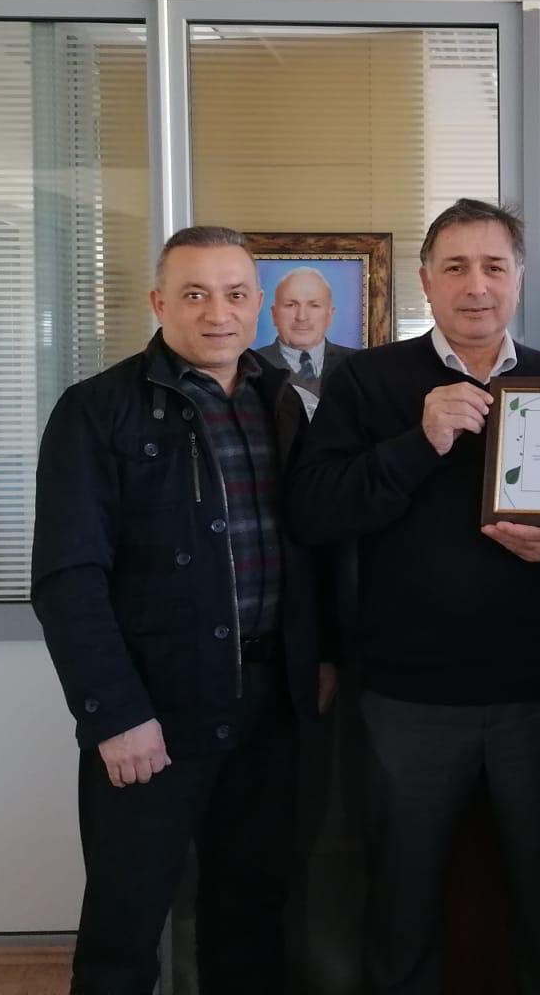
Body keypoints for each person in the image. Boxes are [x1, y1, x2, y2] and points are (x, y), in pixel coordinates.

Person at [289, 199, 540, 995]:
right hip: (407, 698)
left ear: (519, 279)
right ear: (426, 282)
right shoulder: (368, 381)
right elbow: (315, 511)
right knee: (400, 904)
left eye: (494, 267)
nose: (476, 286)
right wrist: (420, 441)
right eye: (456, 267)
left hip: (538, 692)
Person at [31, 225, 338, 995]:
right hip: (154, 712)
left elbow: (312, 547)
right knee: (124, 927)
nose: (217, 313)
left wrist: (321, 656)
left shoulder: (283, 403)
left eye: (235, 295)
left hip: (270, 709)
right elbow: (68, 578)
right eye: (195, 294)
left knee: (251, 917)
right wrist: (114, 714)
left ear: (258, 305)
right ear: (159, 302)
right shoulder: (96, 410)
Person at [257, 265, 356, 400]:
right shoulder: (251, 365)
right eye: (291, 305)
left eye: (314, 305)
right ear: (274, 314)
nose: (302, 317)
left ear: (329, 315)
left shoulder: (356, 364)